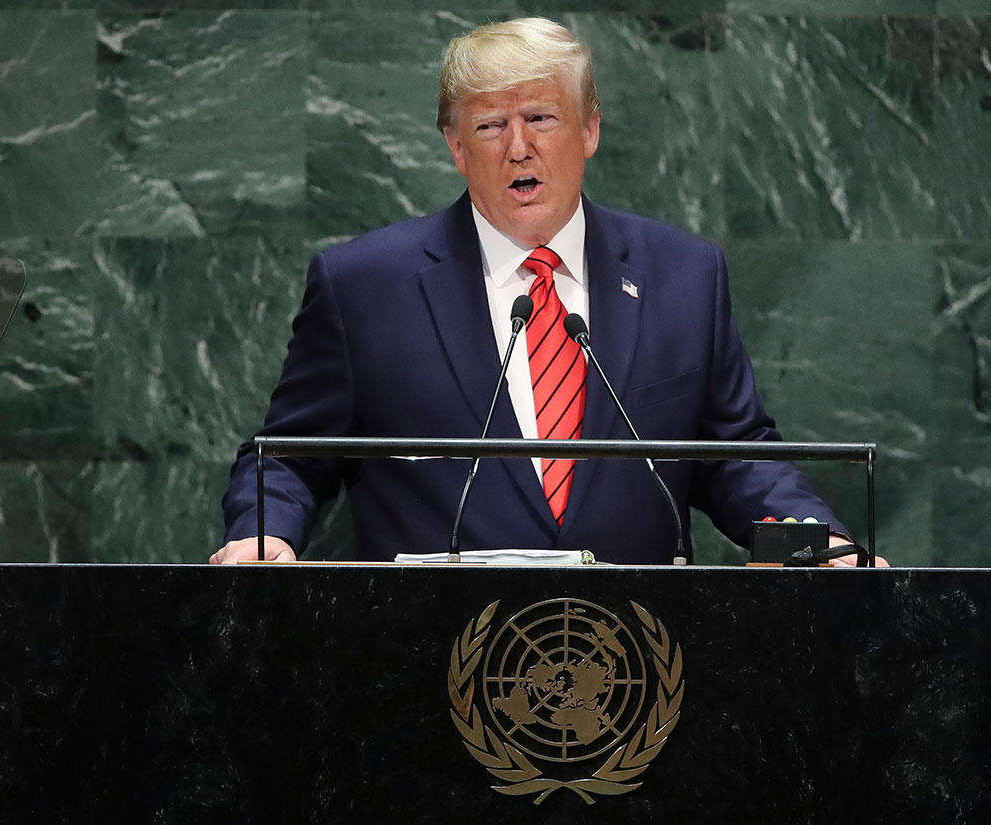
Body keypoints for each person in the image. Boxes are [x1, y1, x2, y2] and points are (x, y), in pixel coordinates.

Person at [213, 17, 881, 566]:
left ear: (589, 130)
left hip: (637, 675)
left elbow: (736, 458)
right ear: (454, 146)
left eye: (541, 117)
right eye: (489, 126)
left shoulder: (683, 275)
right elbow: (289, 458)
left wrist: (812, 546)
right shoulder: (363, 286)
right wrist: (265, 531)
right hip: (422, 673)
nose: (519, 147)